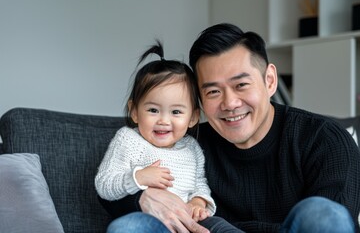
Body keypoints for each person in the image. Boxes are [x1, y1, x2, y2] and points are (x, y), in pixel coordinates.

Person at [99, 23, 360, 233]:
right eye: (213, 91)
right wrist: (142, 198)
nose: (230, 103)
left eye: (241, 85)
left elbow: (334, 222)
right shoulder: (191, 144)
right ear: (198, 103)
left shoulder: (324, 140)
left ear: (269, 81)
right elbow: (108, 191)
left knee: (321, 213)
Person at [95, 41, 218, 232]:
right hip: (148, 223)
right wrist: (138, 178)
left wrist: (199, 201)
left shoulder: (192, 148)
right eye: (153, 110)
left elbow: (200, 184)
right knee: (126, 227)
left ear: (193, 117)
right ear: (134, 111)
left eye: (176, 112)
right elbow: (104, 184)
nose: (163, 120)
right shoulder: (128, 140)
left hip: (185, 224)